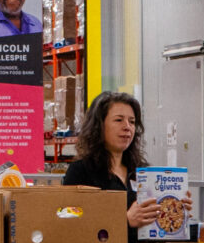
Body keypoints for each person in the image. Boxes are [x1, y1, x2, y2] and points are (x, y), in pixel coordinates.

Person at [60, 91, 173, 230]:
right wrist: (125, 221)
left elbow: (154, 221)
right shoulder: (81, 171)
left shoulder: (142, 170)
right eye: (119, 120)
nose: (127, 127)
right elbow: (70, 225)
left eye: (132, 122)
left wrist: (173, 209)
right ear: (99, 125)